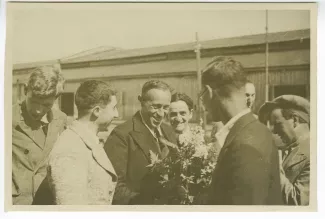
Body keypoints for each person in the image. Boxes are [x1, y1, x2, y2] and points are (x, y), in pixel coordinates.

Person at [200, 56, 282, 205]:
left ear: (209, 92)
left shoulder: (244, 146)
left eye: (201, 95)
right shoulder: (258, 129)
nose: (201, 104)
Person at [104, 80, 177, 205]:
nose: (161, 114)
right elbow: (114, 187)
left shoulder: (169, 131)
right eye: (155, 106)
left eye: (166, 107)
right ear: (141, 101)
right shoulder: (122, 135)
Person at [46, 80, 119, 205]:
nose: (117, 114)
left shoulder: (86, 139)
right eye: (113, 108)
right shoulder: (70, 149)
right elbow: (71, 208)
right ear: (97, 111)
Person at [12, 65, 67, 205]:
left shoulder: (61, 120)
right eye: (34, 102)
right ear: (25, 90)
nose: (38, 110)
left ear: (56, 98)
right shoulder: (7, 117)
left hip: (47, 203)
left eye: (46, 105)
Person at [258, 95, 310, 205]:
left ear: (295, 120)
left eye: (277, 124)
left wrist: (274, 166)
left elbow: (299, 202)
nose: (274, 131)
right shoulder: (288, 149)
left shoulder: (316, 154)